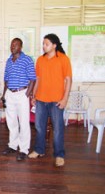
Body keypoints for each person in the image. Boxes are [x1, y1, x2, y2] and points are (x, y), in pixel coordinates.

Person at [28, 34, 72, 167]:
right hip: (41, 99)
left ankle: (59, 155)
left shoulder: (63, 59)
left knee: (58, 129)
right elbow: (38, 79)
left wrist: (65, 99)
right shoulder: (40, 60)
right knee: (39, 127)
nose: (44, 46)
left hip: (57, 100)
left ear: (54, 45)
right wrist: (34, 96)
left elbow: (68, 80)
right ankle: (39, 150)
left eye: (46, 44)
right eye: (43, 43)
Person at [1, 38, 36, 161]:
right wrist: (4, 94)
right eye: (12, 44)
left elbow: (33, 78)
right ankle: (13, 145)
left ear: (21, 47)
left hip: (22, 93)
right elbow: (6, 79)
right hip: (10, 93)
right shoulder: (9, 61)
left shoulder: (27, 59)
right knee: (11, 122)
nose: (13, 46)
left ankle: (24, 149)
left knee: (24, 122)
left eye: (16, 45)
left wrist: (27, 94)